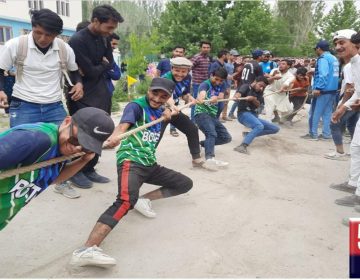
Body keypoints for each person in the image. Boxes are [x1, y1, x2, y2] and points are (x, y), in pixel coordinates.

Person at [70, 78, 193, 267]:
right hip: (131, 161)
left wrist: (169, 110)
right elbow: (122, 126)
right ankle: (87, 249)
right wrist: (114, 138)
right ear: (148, 90)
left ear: (169, 97)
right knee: (126, 201)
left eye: (163, 96)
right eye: (154, 93)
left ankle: (144, 200)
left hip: (149, 163)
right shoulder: (136, 106)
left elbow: (169, 108)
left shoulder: (162, 110)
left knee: (185, 184)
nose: (157, 99)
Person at [0, 8, 83, 199]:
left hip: (54, 106)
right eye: (38, 32)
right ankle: (15, 188)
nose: (43, 38)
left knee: (64, 144)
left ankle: (61, 182)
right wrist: (1, 90)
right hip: (24, 105)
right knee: (20, 149)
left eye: (49, 34)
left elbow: (74, 70)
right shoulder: (16, 45)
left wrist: (78, 83)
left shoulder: (63, 48)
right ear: (32, 28)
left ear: (57, 35)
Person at [0, 107, 115, 230]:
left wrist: (84, 160)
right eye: (76, 140)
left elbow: (51, 179)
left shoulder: (61, 148)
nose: (76, 149)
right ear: (67, 122)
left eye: (86, 146)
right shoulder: (35, 139)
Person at [67, 5, 124, 188]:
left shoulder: (105, 38)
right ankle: (76, 171)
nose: (111, 32)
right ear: (95, 21)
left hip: (101, 92)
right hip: (82, 94)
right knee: (81, 134)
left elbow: (110, 63)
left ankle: (91, 168)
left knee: (101, 130)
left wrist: (101, 66)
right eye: (109, 27)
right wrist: (102, 66)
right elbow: (90, 71)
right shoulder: (78, 40)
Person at [328, 30, 360, 207]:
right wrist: (343, 107)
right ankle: (354, 186)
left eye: (342, 43)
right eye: (336, 44)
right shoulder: (353, 63)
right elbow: (357, 90)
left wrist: (344, 105)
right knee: (356, 148)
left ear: (355, 43)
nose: (338, 47)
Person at [160, 57, 205, 168]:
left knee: (192, 129)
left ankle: (196, 158)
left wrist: (190, 98)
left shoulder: (187, 78)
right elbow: (166, 97)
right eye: (177, 70)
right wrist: (172, 106)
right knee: (155, 137)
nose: (180, 74)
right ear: (171, 69)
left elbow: (184, 94)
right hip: (159, 112)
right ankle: (143, 163)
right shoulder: (165, 78)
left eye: (183, 71)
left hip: (174, 111)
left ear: (188, 71)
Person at [194, 67, 232, 169]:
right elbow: (201, 96)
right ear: (211, 75)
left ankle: (200, 144)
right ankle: (210, 158)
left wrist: (216, 98)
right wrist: (204, 98)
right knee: (211, 133)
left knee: (226, 138)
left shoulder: (222, 85)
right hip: (201, 113)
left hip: (212, 115)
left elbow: (220, 97)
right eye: (216, 79)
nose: (218, 82)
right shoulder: (205, 84)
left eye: (221, 80)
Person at [301, 40, 339, 141]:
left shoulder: (323, 58)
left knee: (315, 112)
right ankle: (326, 134)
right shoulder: (334, 58)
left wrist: (318, 88)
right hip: (332, 89)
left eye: (316, 49)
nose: (316, 51)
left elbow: (323, 74)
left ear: (319, 48)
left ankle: (313, 134)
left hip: (322, 90)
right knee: (327, 113)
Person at [233, 76, 279, 154]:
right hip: (243, 114)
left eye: (263, 87)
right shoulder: (246, 87)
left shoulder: (260, 92)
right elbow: (239, 93)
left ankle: (248, 134)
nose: (261, 88)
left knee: (275, 128)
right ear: (255, 81)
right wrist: (236, 96)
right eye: (260, 85)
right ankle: (243, 146)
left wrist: (253, 99)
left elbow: (258, 105)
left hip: (253, 116)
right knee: (259, 126)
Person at [228, 49, 264, 119]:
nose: (263, 56)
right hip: (250, 87)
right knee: (254, 103)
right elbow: (260, 80)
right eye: (262, 55)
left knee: (239, 100)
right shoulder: (257, 66)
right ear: (259, 56)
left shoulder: (247, 63)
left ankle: (231, 113)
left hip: (242, 85)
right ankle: (253, 119)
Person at [190, 41, 212, 120]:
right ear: (200, 48)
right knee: (196, 102)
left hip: (205, 84)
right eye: (204, 47)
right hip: (197, 84)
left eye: (207, 47)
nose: (206, 49)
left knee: (204, 102)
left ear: (210, 49)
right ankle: (193, 121)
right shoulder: (197, 57)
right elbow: (189, 67)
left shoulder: (208, 58)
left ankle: (200, 120)